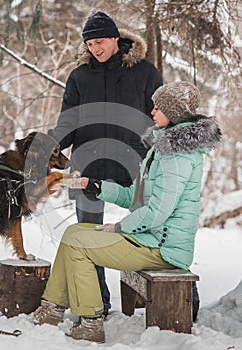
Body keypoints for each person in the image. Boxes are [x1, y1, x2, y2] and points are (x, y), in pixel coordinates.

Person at [34, 81, 222, 343]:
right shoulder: (161, 148)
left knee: (79, 246)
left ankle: (90, 321)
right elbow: (134, 197)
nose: (152, 110)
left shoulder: (178, 156)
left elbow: (159, 212)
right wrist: (97, 187)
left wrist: (120, 227)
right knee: (73, 232)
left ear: (175, 113)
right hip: (150, 238)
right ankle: (52, 307)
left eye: (158, 107)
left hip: (162, 248)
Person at [47, 11, 163, 315]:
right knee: (87, 234)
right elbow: (68, 122)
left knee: (151, 231)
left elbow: (159, 118)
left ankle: (175, 297)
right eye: (89, 44)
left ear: (115, 38)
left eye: (99, 42)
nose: (94, 49)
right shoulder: (79, 76)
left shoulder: (145, 72)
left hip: (135, 167)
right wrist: (52, 143)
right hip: (90, 167)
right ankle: (98, 301)